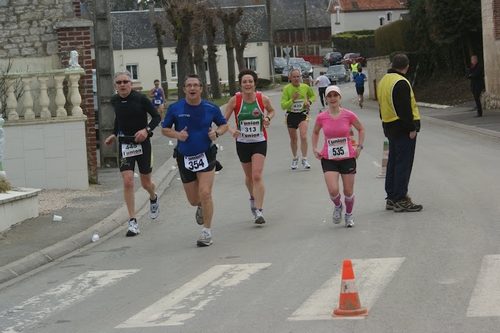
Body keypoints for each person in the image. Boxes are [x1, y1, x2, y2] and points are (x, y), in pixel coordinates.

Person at [161, 74, 228, 247]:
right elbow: (165, 129)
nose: (192, 88)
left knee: (205, 192)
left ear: (201, 88)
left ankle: (206, 233)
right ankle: (201, 206)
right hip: (185, 157)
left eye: (195, 85)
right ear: (184, 89)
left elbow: (223, 125)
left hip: (206, 155)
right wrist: (178, 135)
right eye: (188, 85)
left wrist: (217, 133)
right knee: (193, 200)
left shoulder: (211, 108)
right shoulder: (175, 108)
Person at [104, 70, 161, 237]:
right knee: (128, 181)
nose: (122, 85)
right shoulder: (114, 100)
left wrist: (146, 130)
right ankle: (133, 221)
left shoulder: (140, 98)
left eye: (125, 82)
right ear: (115, 86)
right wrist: (114, 134)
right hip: (125, 145)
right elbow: (119, 119)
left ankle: (153, 196)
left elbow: (156, 117)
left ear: (131, 84)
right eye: (119, 82)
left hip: (142, 144)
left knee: (145, 183)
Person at [224, 69, 275, 225]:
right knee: (249, 177)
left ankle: (259, 211)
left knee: (257, 175)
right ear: (240, 84)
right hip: (242, 142)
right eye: (244, 82)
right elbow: (222, 120)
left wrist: (267, 118)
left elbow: (272, 111)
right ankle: (252, 198)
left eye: (250, 82)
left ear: (255, 84)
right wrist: (233, 130)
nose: (247, 84)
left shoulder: (262, 99)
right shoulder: (235, 101)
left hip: (259, 140)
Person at [312, 85, 365, 228]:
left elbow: (361, 129)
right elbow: (315, 132)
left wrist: (359, 146)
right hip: (329, 158)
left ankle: (349, 214)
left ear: (340, 98)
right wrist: (315, 148)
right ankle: (338, 206)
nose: (332, 98)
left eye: (335, 95)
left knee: (348, 190)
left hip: (347, 157)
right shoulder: (322, 117)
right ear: (326, 99)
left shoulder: (348, 115)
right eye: (329, 96)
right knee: (333, 190)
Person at [377, 53, 422, 212]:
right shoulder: (401, 82)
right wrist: (411, 127)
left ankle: (391, 196)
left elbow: (382, 106)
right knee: (403, 164)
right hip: (402, 128)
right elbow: (404, 109)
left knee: (393, 163)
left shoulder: (383, 81)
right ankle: (401, 198)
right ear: (407, 67)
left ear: (391, 65)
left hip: (389, 126)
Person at [281, 68, 316, 170]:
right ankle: (295, 157)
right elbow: (283, 106)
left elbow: (313, 95)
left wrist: (309, 102)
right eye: (294, 77)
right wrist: (292, 99)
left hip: (302, 114)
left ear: (300, 77)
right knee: (294, 139)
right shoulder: (287, 89)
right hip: (291, 115)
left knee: (303, 136)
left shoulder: (305, 87)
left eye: (298, 76)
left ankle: (304, 159)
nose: (296, 79)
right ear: (290, 78)